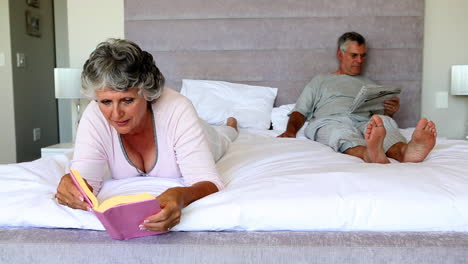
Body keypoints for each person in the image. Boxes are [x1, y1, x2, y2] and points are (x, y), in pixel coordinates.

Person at [55, 39, 238, 232]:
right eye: (106, 102)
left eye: (127, 100)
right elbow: (86, 183)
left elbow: (210, 181)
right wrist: (74, 186)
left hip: (210, 138)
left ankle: (231, 126)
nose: (116, 114)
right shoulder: (94, 115)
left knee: (224, 136)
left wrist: (182, 195)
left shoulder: (178, 109)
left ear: (148, 94)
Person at [278, 32, 437, 163]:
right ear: (340, 54)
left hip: (364, 121)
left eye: (362, 56)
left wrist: (391, 112)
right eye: (354, 55)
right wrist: (290, 131)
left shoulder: (370, 84)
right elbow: (300, 111)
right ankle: (368, 153)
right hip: (332, 120)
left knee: (385, 123)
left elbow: (379, 117)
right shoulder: (320, 80)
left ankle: (405, 151)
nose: (359, 61)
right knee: (339, 132)